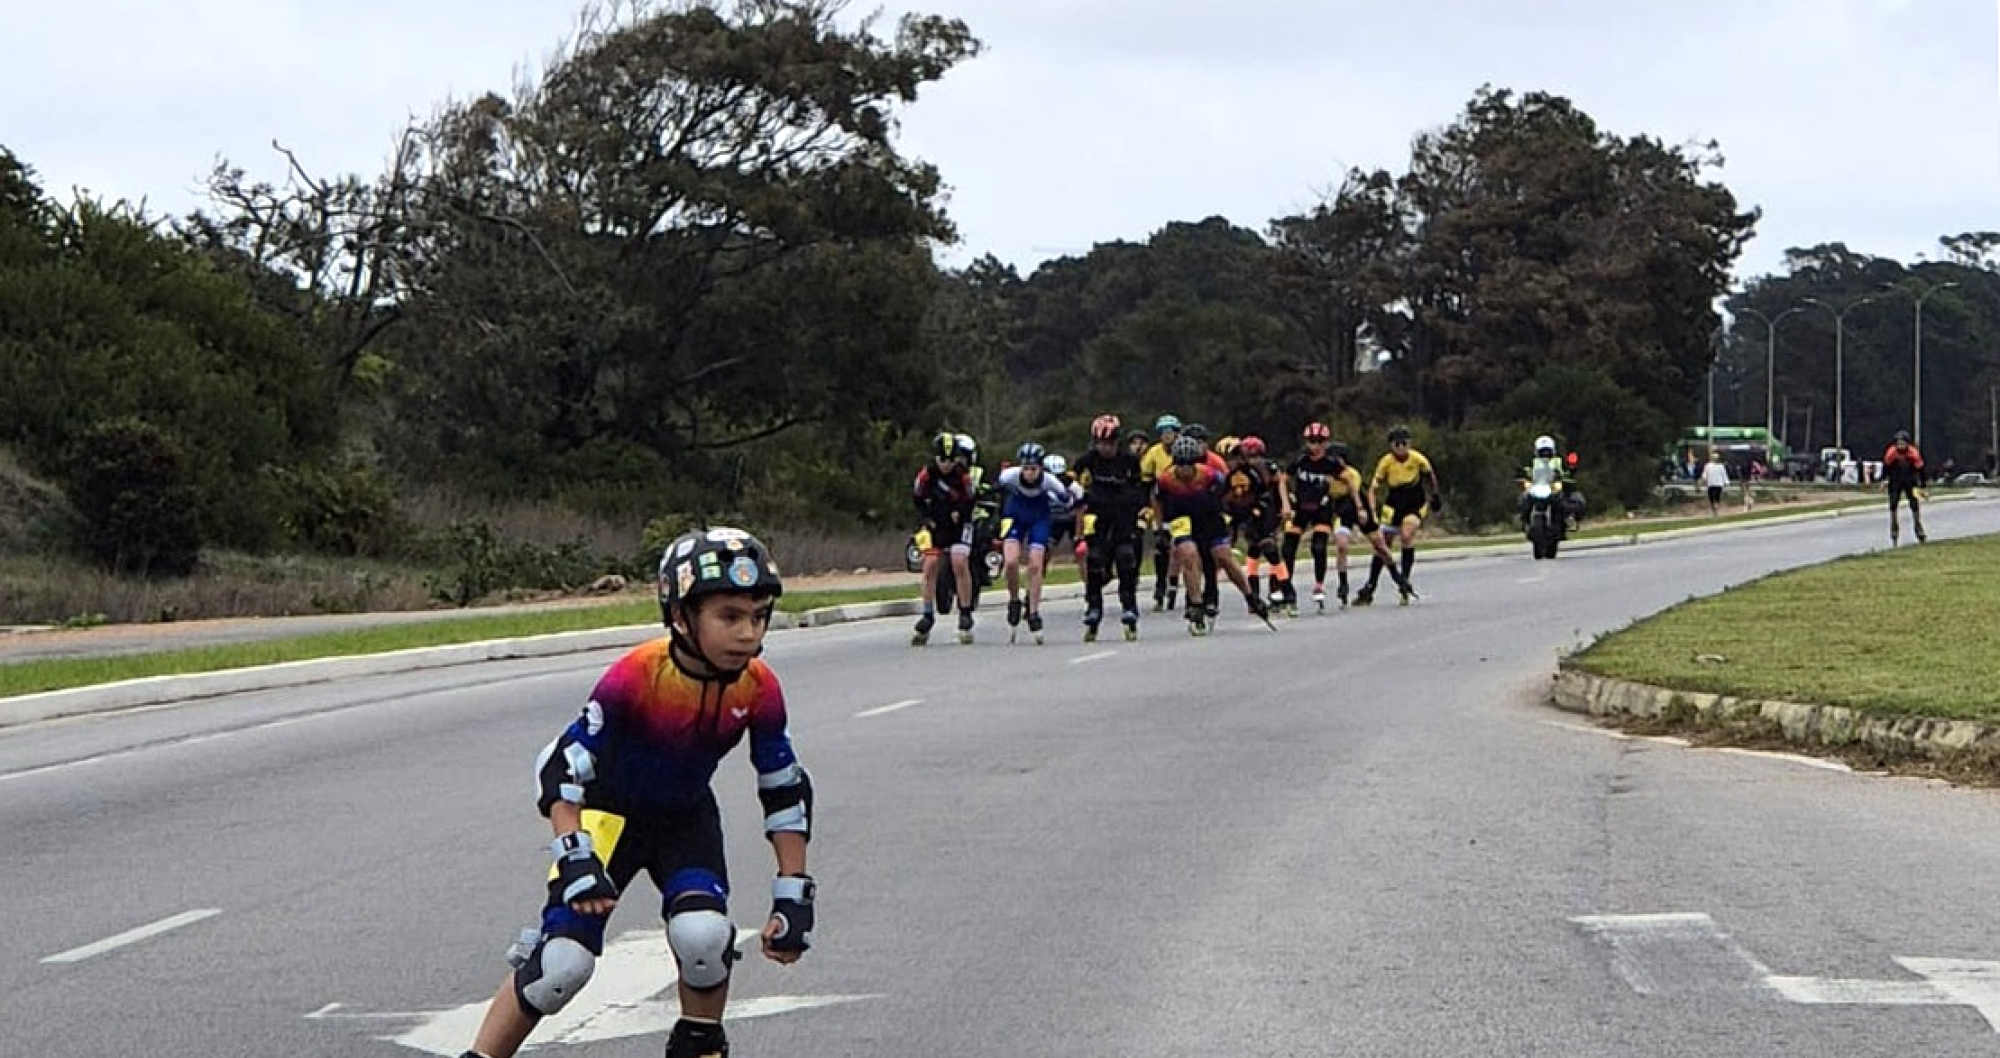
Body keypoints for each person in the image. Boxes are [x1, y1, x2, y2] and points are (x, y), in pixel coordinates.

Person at [457, 526, 814, 1058]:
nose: (748, 632)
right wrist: (574, 854)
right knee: (560, 969)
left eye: (759, 616)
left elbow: (783, 788)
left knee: (704, 939)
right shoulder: (639, 674)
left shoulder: (759, 686)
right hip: (606, 820)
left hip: (684, 820)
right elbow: (562, 767)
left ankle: (700, 1045)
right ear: (680, 617)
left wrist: (794, 890)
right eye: (730, 616)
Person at [1153, 433, 1271, 636]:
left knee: (1224, 556)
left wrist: (1230, 513)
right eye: (1180, 464)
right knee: (1188, 555)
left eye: (1189, 464)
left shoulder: (1209, 475)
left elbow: (1229, 491)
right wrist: (1160, 527)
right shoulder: (1166, 479)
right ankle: (1196, 604)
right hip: (1182, 519)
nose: (1184, 469)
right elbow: (1156, 499)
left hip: (1209, 518)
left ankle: (1251, 597)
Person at [1072, 413, 1149, 640]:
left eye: (1110, 443)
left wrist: (1141, 515)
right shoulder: (1088, 459)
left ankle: (1129, 606)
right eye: (1101, 444)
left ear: (1118, 442)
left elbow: (1141, 490)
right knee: (1094, 560)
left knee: (1125, 558)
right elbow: (1071, 479)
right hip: (1097, 515)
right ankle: (1093, 606)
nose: (1105, 448)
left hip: (1123, 515)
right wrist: (1078, 496)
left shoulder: (1129, 461)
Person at [998, 442, 1084, 644]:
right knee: (1010, 562)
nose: (1029, 474)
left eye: (1033, 469)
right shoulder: (1009, 476)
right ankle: (1013, 600)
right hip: (1015, 514)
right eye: (1025, 469)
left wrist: (1071, 493)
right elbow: (997, 489)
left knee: (1035, 565)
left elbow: (1071, 498)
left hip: (1039, 517)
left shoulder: (1049, 481)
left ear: (1041, 469)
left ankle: (1034, 612)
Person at [1356, 424, 1440, 606]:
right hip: (1394, 503)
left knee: (1407, 534)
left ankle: (1404, 579)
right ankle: (1371, 584)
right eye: (1397, 444)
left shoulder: (1417, 459)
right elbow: (1374, 488)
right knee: (1382, 543)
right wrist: (1371, 510)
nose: (1401, 447)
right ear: (1391, 446)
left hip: (1414, 503)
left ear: (1409, 444)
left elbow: (1430, 476)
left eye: (1404, 443)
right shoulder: (1386, 462)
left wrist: (1435, 495)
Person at [909, 431, 978, 646]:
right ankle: (928, 614)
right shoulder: (926, 475)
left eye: (950, 460)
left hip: (959, 524)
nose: (946, 464)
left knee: (959, 562)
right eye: (942, 459)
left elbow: (971, 499)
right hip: (936, 524)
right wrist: (928, 518)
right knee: (930, 565)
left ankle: (965, 612)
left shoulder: (963, 475)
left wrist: (960, 512)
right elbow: (917, 499)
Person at [1220, 435, 1292, 612]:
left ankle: (1285, 590)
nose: (1253, 460)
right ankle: (1255, 595)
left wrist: (1284, 504)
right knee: (1253, 552)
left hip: (1266, 510)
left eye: (1256, 456)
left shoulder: (1262, 468)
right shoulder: (1228, 472)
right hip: (1244, 511)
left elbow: (1274, 486)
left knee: (1269, 549)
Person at [1139, 415, 1184, 611]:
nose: (1166, 437)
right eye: (1163, 433)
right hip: (1161, 503)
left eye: (1169, 433)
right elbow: (1145, 483)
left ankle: (1179, 582)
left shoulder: (1183, 450)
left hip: (1182, 501)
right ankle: (1160, 586)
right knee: (1161, 545)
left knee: (1182, 545)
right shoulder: (1153, 454)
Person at [1517, 434, 1581, 532]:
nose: (1545, 454)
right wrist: (1523, 475)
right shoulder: (1534, 462)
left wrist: (1568, 473)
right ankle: (1525, 521)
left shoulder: (1559, 460)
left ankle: (1569, 519)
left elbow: (1566, 470)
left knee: (1569, 497)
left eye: (1547, 451)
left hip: (1554, 486)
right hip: (1538, 486)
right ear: (1537, 451)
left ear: (1553, 450)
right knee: (1524, 498)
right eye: (1542, 451)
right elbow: (1527, 470)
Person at [1883, 429, 1929, 545]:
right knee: (1893, 505)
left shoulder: (1913, 453)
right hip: (1895, 481)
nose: (1900, 446)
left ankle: (1918, 527)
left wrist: (1923, 486)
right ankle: (1894, 529)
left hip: (1911, 481)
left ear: (1908, 444)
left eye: (1903, 443)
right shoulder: (1891, 453)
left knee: (1914, 504)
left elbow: (1921, 469)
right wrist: (1884, 480)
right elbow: (1886, 467)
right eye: (1898, 443)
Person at [1702, 449, 1731, 517]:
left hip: (1718, 484)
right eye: (1714, 458)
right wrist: (1704, 478)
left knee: (1717, 498)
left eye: (1716, 458)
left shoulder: (1721, 466)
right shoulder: (1708, 465)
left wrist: (1726, 482)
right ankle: (1714, 510)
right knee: (1711, 498)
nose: (1715, 460)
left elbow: (1724, 474)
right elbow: (1705, 473)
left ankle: (1716, 510)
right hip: (1711, 484)